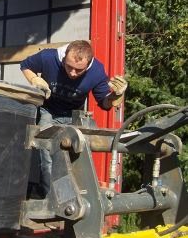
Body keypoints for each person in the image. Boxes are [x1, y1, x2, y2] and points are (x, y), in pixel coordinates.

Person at [20, 40, 127, 197]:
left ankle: (74, 197)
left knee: (76, 157)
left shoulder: (96, 71)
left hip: (73, 115)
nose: (72, 73)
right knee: (47, 155)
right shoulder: (48, 57)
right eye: (69, 67)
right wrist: (34, 79)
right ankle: (50, 198)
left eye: (78, 70)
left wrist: (116, 95)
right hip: (48, 111)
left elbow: (105, 103)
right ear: (64, 58)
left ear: (88, 65)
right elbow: (25, 65)